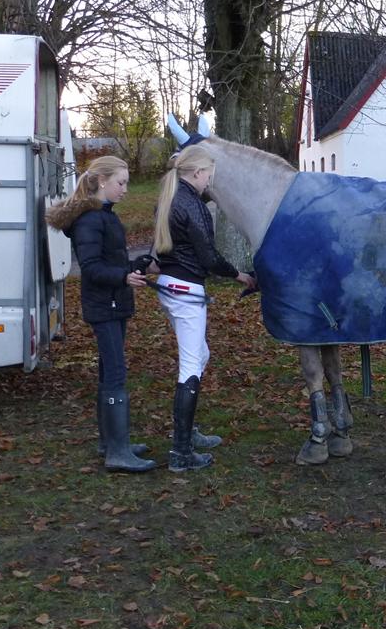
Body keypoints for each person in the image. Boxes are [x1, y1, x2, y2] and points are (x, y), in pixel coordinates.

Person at [46, 156, 156, 473]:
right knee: (116, 374)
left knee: (111, 371)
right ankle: (117, 451)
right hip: (104, 306)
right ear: (102, 182)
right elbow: (92, 268)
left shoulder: (105, 216)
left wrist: (135, 267)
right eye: (121, 183)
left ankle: (110, 442)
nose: (125, 189)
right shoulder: (91, 220)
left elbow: (110, 261)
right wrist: (122, 277)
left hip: (113, 303)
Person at [152, 145, 255, 472]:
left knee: (200, 356)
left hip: (170, 286)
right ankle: (180, 452)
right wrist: (240, 275)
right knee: (191, 366)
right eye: (209, 174)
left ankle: (187, 431)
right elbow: (208, 257)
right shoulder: (191, 205)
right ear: (197, 173)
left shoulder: (171, 197)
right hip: (186, 290)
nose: (211, 180)